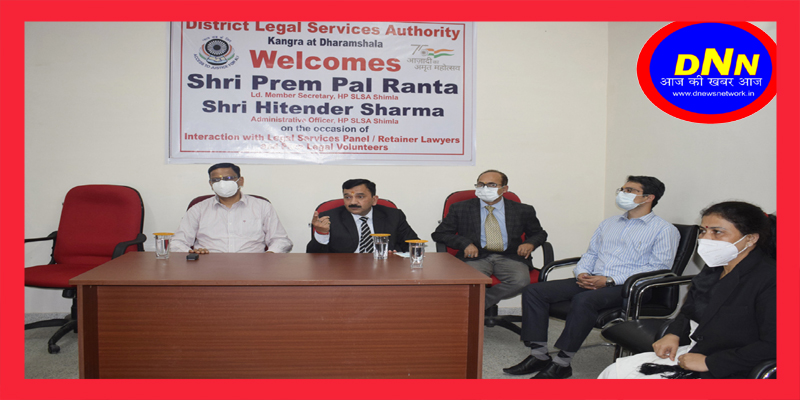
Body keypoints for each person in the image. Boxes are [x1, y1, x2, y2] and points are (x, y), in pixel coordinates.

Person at [504, 175, 679, 379]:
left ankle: (562, 363)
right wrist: (582, 272)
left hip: (631, 287)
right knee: (534, 291)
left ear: (649, 197)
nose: (623, 194)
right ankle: (539, 355)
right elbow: (591, 254)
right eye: (622, 189)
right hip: (593, 278)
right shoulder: (609, 223)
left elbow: (658, 268)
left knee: (584, 300)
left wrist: (610, 280)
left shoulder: (664, 230)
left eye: (630, 190)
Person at [598, 201, 776, 379]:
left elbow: (774, 345)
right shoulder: (715, 267)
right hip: (696, 350)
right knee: (613, 373)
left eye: (717, 232)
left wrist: (710, 363)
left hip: (730, 364)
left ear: (750, 238)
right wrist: (673, 333)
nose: (705, 239)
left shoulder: (770, 280)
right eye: (703, 231)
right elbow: (690, 310)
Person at [431, 170, 548, 310]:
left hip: (510, 256)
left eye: (492, 185)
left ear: (504, 189)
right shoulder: (460, 208)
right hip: (476, 256)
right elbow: (440, 234)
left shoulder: (523, 210)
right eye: (481, 184)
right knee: (471, 283)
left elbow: (539, 233)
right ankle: (474, 309)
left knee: (521, 281)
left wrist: (530, 243)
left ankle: (478, 305)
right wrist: (465, 243)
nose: (485, 189)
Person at [171, 163, 293, 254]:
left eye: (228, 178)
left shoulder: (262, 206)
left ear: (240, 181)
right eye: (216, 180)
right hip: (208, 266)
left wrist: (270, 255)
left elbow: (281, 240)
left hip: (253, 266)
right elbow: (177, 243)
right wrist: (192, 253)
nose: (222, 183)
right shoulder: (198, 209)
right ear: (211, 184)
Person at [307, 179, 419, 253]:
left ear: (374, 200)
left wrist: (397, 256)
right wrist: (321, 233)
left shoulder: (393, 216)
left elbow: (414, 245)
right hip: (344, 272)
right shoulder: (330, 217)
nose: (353, 202)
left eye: (360, 197)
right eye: (347, 197)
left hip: (384, 270)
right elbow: (313, 256)